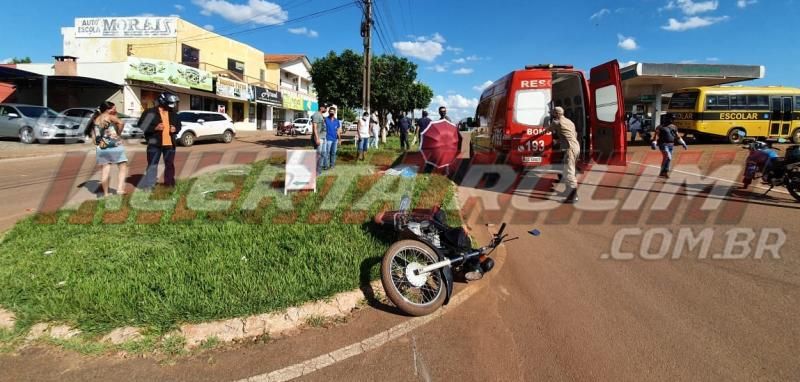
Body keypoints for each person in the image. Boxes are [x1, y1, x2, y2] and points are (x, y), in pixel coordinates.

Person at [138, 92, 182, 189]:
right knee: (152, 165)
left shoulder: (173, 113)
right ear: (163, 101)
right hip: (155, 144)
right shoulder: (150, 112)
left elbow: (179, 125)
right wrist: (155, 128)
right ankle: (150, 186)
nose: (172, 105)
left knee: (169, 165)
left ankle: (169, 184)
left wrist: (175, 129)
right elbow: (142, 125)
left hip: (170, 144)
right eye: (170, 103)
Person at [89, 101, 128, 197]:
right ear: (107, 110)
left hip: (101, 147)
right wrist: (118, 133)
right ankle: (119, 189)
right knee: (122, 166)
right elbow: (121, 123)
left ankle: (106, 193)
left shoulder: (95, 119)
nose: (115, 110)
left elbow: (94, 137)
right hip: (114, 145)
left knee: (105, 170)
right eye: (113, 109)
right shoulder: (109, 116)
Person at [546, 106, 580, 203]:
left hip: (570, 149)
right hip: (576, 146)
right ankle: (567, 191)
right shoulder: (570, 122)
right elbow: (574, 134)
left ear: (556, 114)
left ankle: (574, 197)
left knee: (569, 172)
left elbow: (547, 130)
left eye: (553, 113)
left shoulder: (557, 122)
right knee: (565, 171)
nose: (552, 114)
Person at [651, 114, 688, 178]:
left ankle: (663, 172)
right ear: (666, 119)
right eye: (671, 119)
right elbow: (656, 136)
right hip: (663, 144)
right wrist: (654, 143)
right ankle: (665, 171)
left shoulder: (674, 127)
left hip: (671, 145)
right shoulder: (659, 127)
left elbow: (677, 135)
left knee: (667, 158)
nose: (672, 120)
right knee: (668, 157)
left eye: (673, 119)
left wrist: (683, 143)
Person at [311, 103, 328, 173]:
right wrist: (317, 138)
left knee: (323, 154)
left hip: (323, 137)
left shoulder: (321, 115)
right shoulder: (316, 115)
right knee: (318, 154)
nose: (326, 109)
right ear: (321, 107)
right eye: (325, 107)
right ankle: (316, 171)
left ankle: (319, 170)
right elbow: (314, 127)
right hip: (319, 137)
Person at [324, 105, 342, 170]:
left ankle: (332, 165)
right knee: (327, 153)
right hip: (328, 139)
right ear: (328, 112)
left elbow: (338, 130)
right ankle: (326, 166)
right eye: (330, 111)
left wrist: (339, 139)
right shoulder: (325, 119)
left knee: (333, 153)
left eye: (333, 111)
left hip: (335, 139)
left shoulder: (337, 121)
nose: (332, 112)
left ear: (335, 112)